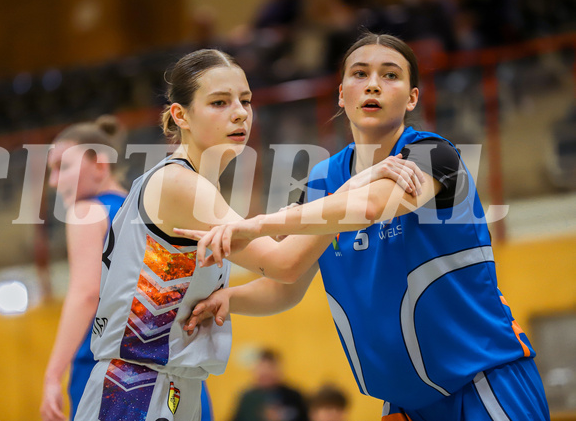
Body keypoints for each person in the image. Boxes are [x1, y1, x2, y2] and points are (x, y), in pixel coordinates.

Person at [178, 33, 550, 420]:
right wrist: (228, 299)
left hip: (483, 383)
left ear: (412, 98)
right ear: (341, 94)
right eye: (360, 74)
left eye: (390, 75)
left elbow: (371, 206)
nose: (373, 84)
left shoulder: (434, 153)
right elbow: (285, 272)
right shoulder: (323, 179)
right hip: (404, 406)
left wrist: (256, 224)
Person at [71, 48, 255, 421]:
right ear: (180, 115)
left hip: (176, 383)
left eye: (246, 100)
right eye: (220, 102)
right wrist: (344, 200)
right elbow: (281, 262)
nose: (239, 112)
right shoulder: (179, 183)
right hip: (133, 386)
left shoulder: (195, 185)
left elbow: (285, 276)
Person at [41, 115, 128, 421]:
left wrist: (53, 375)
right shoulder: (151, 211)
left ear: (100, 165)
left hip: (107, 375)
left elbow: (86, 294)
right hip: (173, 377)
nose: (53, 182)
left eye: (62, 166)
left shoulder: (87, 211)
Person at [231, 348, 308, 421]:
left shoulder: (293, 396)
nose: (265, 372)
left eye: (269, 367)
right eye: (261, 367)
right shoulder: (248, 398)